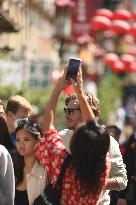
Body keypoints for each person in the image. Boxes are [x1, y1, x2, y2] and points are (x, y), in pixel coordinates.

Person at [42, 65, 127, 205]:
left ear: (86, 111)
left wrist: (88, 182)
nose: (66, 115)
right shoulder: (62, 137)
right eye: (65, 110)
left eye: (71, 111)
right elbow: (48, 173)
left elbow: (122, 180)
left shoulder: (108, 142)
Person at [13, 118, 47, 205]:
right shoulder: (13, 168)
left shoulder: (46, 172)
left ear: (38, 141)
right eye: (18, 140)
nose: (21, 144)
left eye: (26, 139)